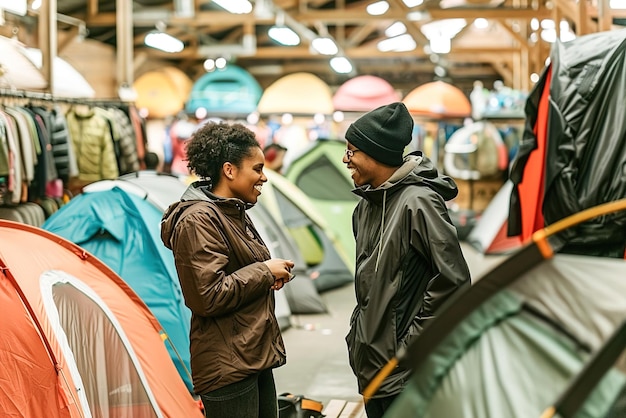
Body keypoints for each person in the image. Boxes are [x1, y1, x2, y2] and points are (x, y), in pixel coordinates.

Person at [342, 102, 471, 418]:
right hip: (371, 367)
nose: (345, 159)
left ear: (376, 154)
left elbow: (454, 283)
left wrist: (407, 349)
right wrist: (357, 335)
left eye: (352, 151)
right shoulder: (366, 207)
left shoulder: (419, 203)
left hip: (406, 374)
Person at [161, 121, 295, 418]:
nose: (264, 178)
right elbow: (207, 296)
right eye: (257, 169)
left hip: (251, 354)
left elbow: (237, 273)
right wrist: (264, 272)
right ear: (230, 170)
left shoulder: (231, 211)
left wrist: (266, 275)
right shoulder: (198, 220)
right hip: (228, 365)